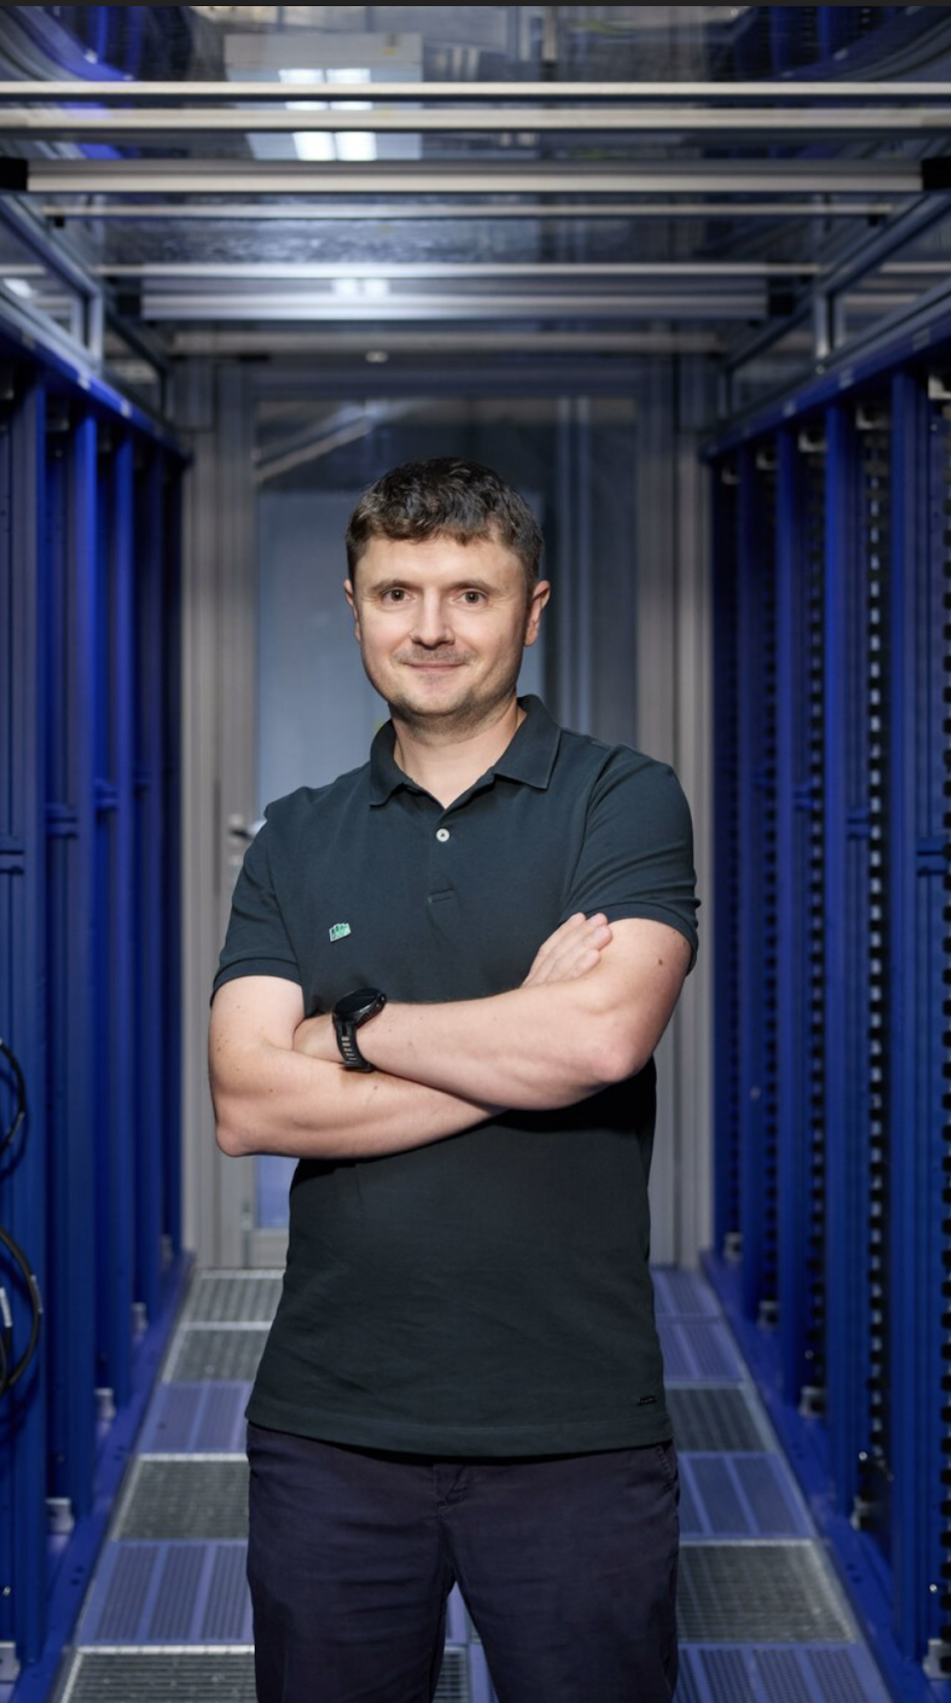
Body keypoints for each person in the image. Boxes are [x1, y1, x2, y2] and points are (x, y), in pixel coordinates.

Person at [208, 457, 699, 1703]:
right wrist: (523, 1036)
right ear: (355, 604)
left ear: (532, 610)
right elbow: (247, 1104)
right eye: (397, 592)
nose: (430, 627)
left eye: (469, 594)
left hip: (572, 1424)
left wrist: (354, 1027)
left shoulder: (621, 798)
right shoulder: (298, 832)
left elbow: (599, 1045)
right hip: (331, 1423)